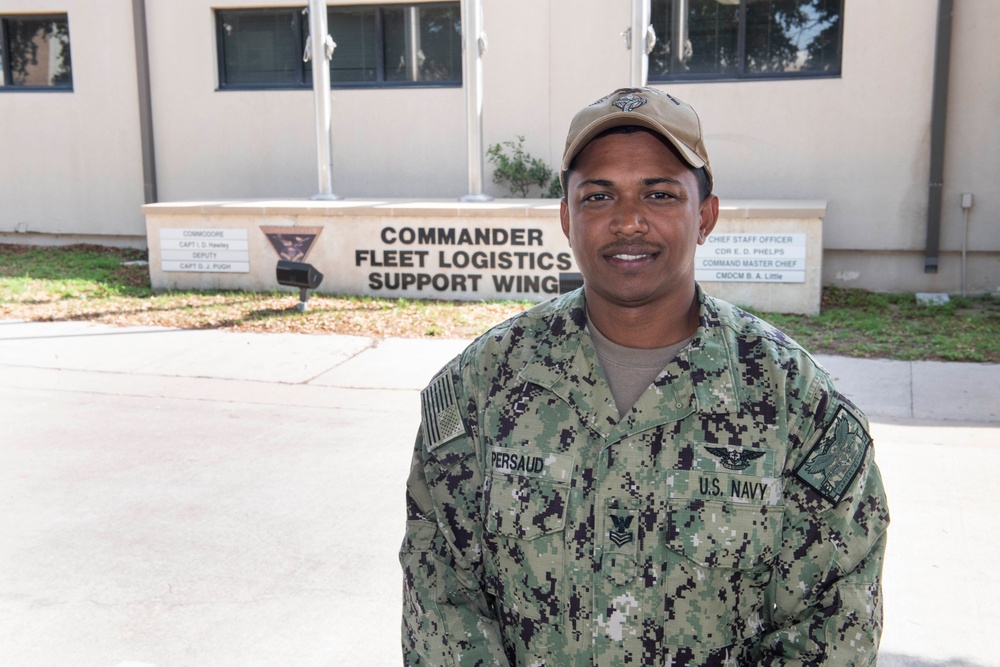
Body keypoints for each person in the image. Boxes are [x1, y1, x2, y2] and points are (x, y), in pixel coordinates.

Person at [400, 87, 889, 666]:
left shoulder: (793, 400)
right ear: (567, 217)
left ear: (704, 215)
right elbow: (441, 595)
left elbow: (834, 615)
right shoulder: (483, 385)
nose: (628, 221)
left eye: (658, 193)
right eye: (599, 196)